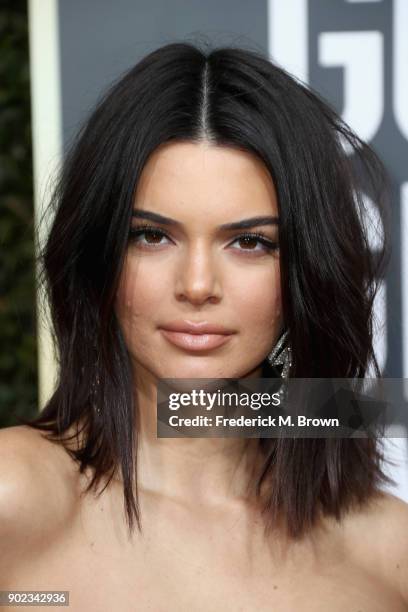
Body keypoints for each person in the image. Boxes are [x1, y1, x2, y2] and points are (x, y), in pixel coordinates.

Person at [1, 41, 407, 611]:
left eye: (249, 242)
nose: (196, 284)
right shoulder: (13, 497)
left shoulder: (387, 551)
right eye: (152, 235)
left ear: (305, 277)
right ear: (98, 256)